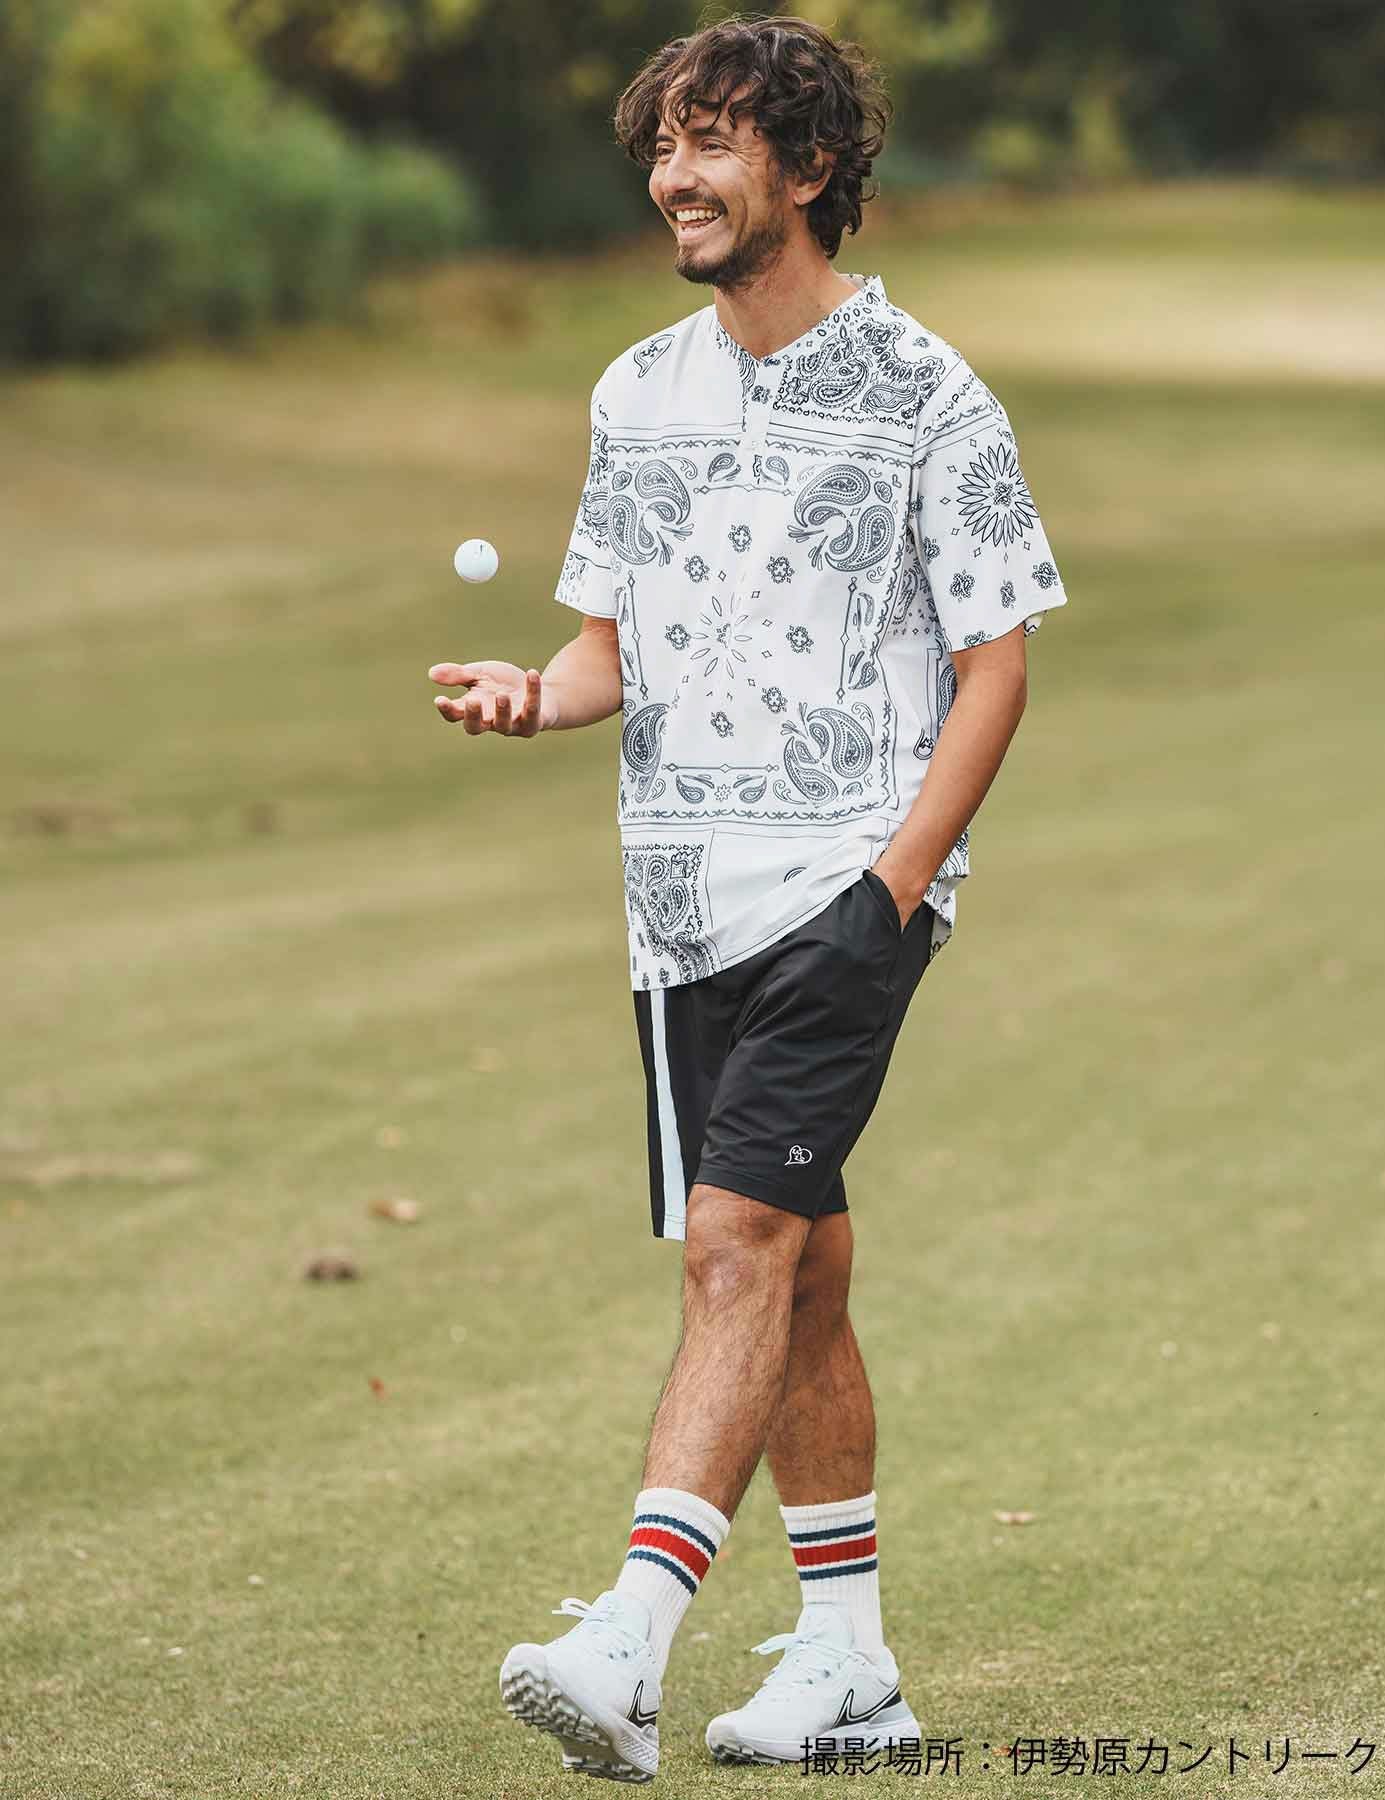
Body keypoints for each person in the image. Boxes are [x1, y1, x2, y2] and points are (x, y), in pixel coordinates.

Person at [427, 14, 1069, 1782]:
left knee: (734, 1246)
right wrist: (534, 694)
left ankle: (630, 1640)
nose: (675, 177)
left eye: (712, 142)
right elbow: (607, 646)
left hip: (846, 890)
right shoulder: (633, 391)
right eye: (665, 144)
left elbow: (998, 665)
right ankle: (853, 1668)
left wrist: (895, 888)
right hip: (676, 904)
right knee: (802, 1273)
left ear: (810, 167)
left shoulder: (930, 392)